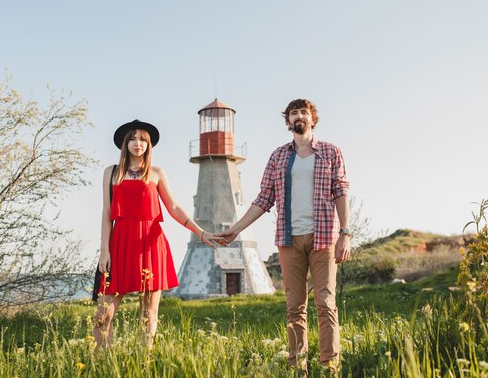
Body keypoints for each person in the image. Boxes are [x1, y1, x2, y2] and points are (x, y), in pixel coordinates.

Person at [217, 99, 350, 373]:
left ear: (313, 119)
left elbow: (341, 192)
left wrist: (345, 233)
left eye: (304, 112)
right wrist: (236, 229)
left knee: (325, 303)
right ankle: (297, 367)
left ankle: (329, 367)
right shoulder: (278, 157)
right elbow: (264, 199)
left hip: (324, 237)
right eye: (293, 113)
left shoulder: (330, 151)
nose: (299, 116)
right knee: (294, 307)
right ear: (288, 121)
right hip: (289, 241)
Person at [93, 119, 218, 350]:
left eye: (142, 139)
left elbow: (174, 208)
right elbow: (106, 212)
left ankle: (145, 362)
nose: (137, 143)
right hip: (119, 243)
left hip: (151, 245)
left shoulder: (156, 173)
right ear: (125, 143)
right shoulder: (111, 173)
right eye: (132, 139)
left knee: (148, 313)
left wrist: (200, 232)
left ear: (149, 144)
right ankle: (101, 364)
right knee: (103, 314)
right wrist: (104, 250)